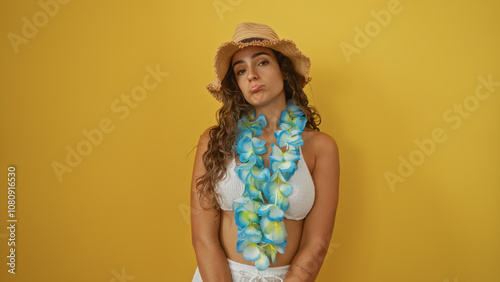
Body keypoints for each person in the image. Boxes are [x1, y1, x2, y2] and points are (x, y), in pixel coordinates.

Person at [191, 22, 339, 281]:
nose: (251, 75)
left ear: (283, 70)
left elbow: (315, 246)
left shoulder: (321, 147)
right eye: (240, 70)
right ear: (236, 83)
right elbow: (203, 239)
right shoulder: (215, 141)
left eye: (262, 62)